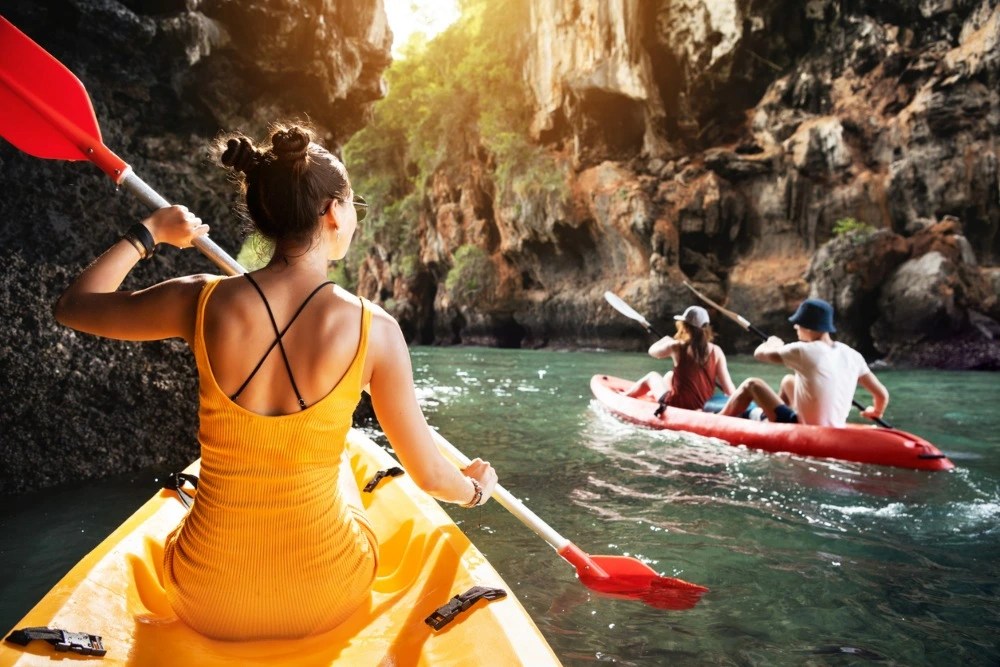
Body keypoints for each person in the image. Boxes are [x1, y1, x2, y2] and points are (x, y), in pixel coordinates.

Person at [53, 123, 498, 641]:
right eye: (353, 204)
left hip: (206, 597)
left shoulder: (199, 300)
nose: (353, 216)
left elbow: (74, 308)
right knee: (344, 468)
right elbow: (429, 477)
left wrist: (149, 231)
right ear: (333, 211)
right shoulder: (376, 331)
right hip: (327, 594)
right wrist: (474, 490)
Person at [718, 297, 889, 427]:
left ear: (807, 327)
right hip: (834, 425)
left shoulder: (803, 351)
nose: (795, 327)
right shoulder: (852, 355)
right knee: (788, 381)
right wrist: (875, 411)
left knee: (752, 384)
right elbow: (881, 394)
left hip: (803, 426)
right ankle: (768, 420)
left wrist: (771, 343)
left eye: (797, 324)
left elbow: (759, 354)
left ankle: (716, 420)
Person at [624, 305, 736, 411]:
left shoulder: (677, 346)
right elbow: (729, 390)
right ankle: (653, 394)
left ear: (685, 327)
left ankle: (624, 396)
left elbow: (652, 352)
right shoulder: (717, 351)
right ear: (706, 328)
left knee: (652, 376)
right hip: (704, 405)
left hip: (677, 404)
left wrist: (665, 340)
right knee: (669, 376)